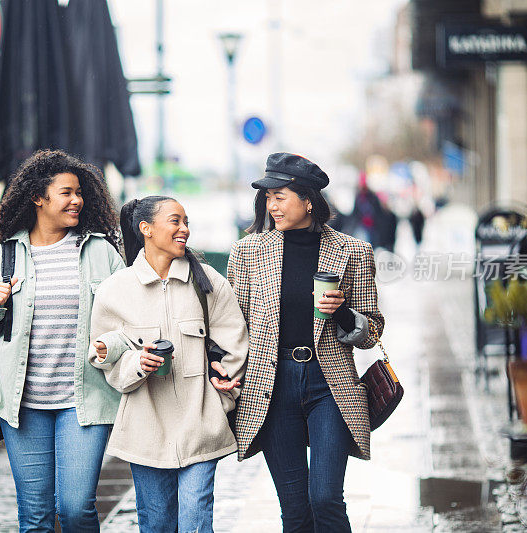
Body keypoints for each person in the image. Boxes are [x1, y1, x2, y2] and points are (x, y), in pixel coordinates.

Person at [0, 150, 125, 532]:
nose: (77, 201)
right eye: (66, 192)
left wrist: (112, 347)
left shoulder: (100, 252)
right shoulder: (1, 256)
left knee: (75, 508)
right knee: (34, 517)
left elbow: (130, 320)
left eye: (80, 193)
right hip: (22, 404)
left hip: (83, 401)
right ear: (39, 197)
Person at [228, 153, 385, 532]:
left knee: (326, 498)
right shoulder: (248, 251)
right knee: (295, 511)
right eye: (268, 198)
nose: (272, 205)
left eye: (280, 196)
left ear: (308, 200)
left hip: (329, 384)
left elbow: (372, 332)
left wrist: (343, 312)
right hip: (271, 384)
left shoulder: (353, 251)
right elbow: (231, 326)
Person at [88, 196, 248, 533]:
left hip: (200, 424)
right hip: (145, 429)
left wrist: (223, 391)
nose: (184, 229)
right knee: (157, 523)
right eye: (175, 221)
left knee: (195, 520)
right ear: (146, 228)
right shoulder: (113, 291)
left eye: (186, 221)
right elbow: (105, 354)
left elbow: (234, 338)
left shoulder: (208, 282)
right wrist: (137, 363)